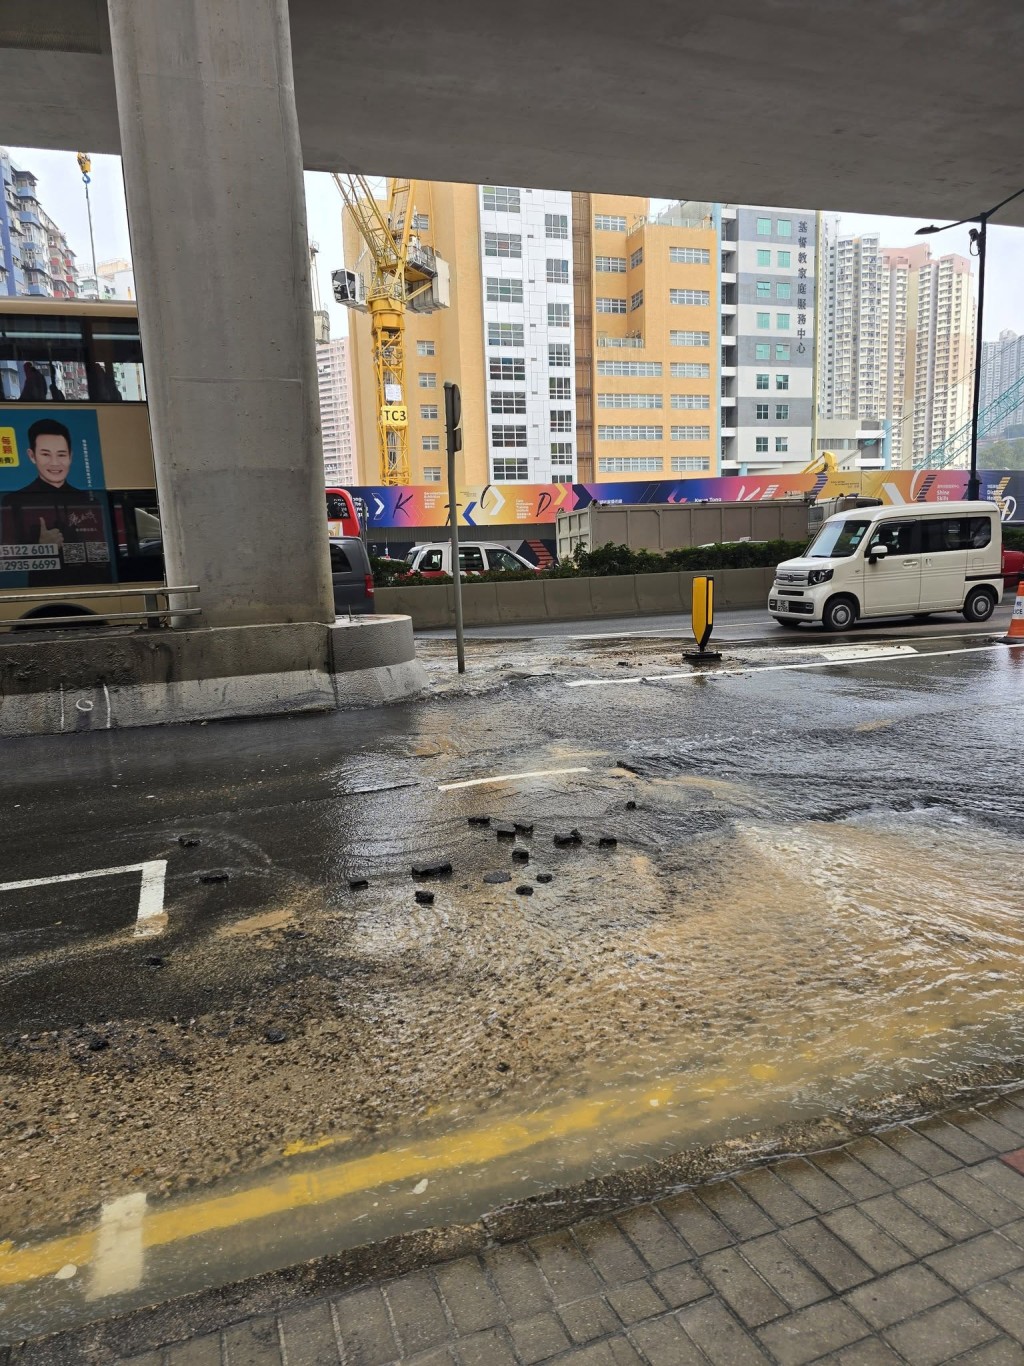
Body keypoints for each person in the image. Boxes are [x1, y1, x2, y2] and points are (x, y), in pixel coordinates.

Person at [0, 419, 106, 584]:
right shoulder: (13, 502)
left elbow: (102, 552)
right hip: (43, 588)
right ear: (32, 456)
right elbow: (7, 558)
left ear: (71, 456)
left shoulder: (88, 500)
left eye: (61, 454)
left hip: (91, 584)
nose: (55, 463)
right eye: (45, 454)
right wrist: (40, 547)